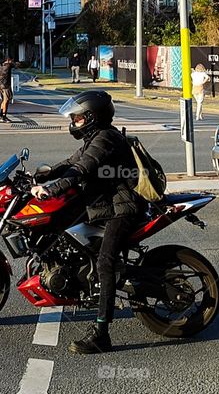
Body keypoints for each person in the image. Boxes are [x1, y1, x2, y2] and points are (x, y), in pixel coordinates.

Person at [30, 90, 143, 354]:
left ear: (94, 116)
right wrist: (41, 175)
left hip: (120, 208)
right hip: (103, 203)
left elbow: (82, 169)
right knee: (63, 230)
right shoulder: (96, 137)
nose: (75, 122)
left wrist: (53, 189)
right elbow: (72, 162)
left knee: (105, 262)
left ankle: (102, 333)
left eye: (79, 118)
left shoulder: (105, 139)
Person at [0, 56, 14, 122]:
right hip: (6, 86)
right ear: (8, 60)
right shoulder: (9, 66)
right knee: (6, 101)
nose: (12, 62)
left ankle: (0, 114)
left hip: (0, 86)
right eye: (11, 60)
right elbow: (17, 64)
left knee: (3, 100)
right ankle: (4, 117)